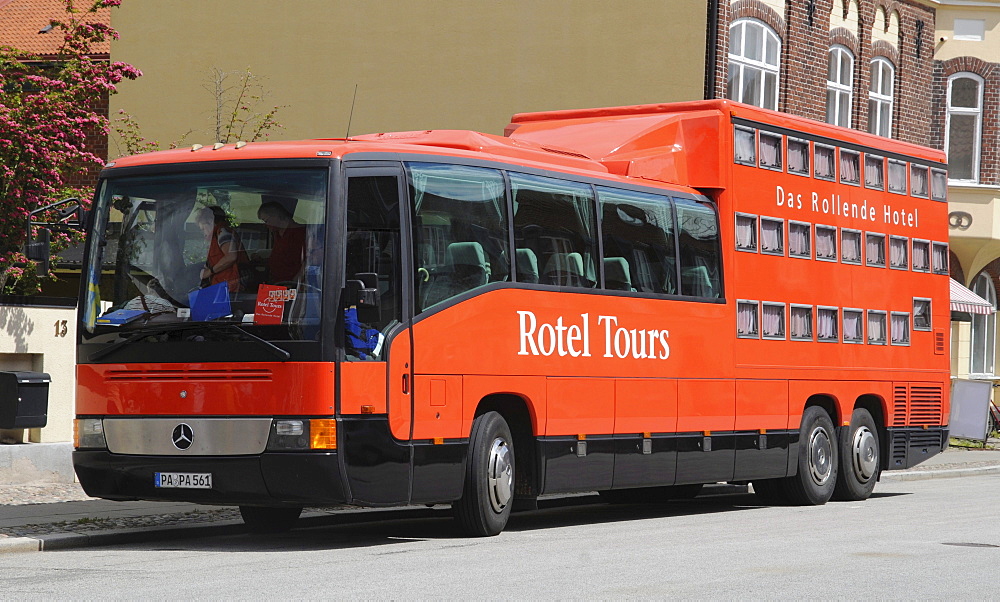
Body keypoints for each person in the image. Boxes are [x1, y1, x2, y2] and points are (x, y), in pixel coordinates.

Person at [195, 205, 248, 292]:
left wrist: (209, 272)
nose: (204, 233)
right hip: (225, 284)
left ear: (210, 221)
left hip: (231, 284)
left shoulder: (222, 233)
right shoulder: (220, 233)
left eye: (203, 228)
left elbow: (231, 257)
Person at [258, 199, 306, 283]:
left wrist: (295, 283)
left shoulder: (299, 233)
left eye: (266, 221)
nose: (265, 225)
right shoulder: (277, 233)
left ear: (276, 216)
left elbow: (307, 262)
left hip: (289, 286)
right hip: (276, 284)